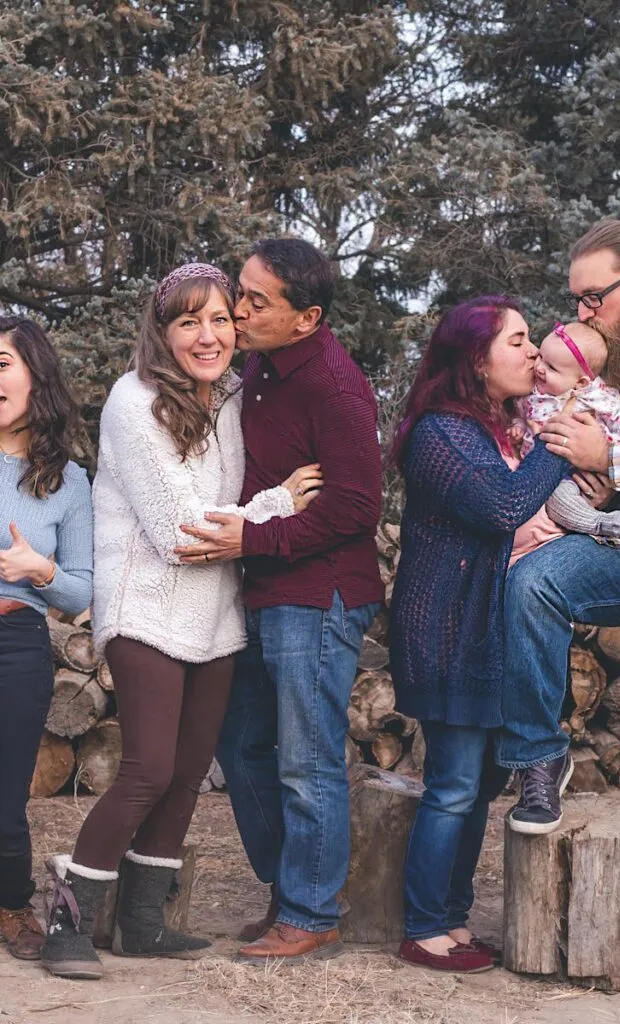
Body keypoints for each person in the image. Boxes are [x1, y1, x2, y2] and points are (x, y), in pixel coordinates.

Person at [41, 263, 322, 980]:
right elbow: (179, 534)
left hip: (215, 611)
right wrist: (277, 505)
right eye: (188, 321)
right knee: (148, 769)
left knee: (190, 771)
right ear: (162, 332)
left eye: (220, 319)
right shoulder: (134, 401)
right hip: (144, 605)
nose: (208, 335)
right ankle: (66, 920)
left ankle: (141, 924)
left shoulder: (232, 395)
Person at [175, 238, 384, 964]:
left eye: (256, 302)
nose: (237, 309)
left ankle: (310, 911)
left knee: (306, 758)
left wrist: (252, 538)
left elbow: (356, 508)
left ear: (307, 318)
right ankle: (295, 883)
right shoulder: (258, 368)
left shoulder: (335, 387)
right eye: (241, 290)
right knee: (239, 743)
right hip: (263, 589)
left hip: (318, 597)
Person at [496, 218, 620, 957]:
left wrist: (612, 458)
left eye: (592, 297)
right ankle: (538, 760)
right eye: (577, 300)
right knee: (534, 582)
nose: (582, 313)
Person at [388, 297, 568, 973]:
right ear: (475, 358)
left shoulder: (494, 429)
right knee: (454, 784)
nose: (533, 351)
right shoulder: (440, 431)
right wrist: (558, 443)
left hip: (483, 632)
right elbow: (501, 505)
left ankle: (451, 916)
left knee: (479, 786)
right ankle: (422, 928)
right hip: (447, 632)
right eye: (516, 341)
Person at [0, 317, 93, 961]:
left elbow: (81, 591)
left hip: (17, 644)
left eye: (2, 363)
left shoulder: (67, 481)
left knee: (7, 792)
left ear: (37, 374)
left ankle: (11, 905)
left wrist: (40, 570)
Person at [513, 320, 620, 542]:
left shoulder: (592, 393)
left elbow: (616, 412)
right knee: (557, 500)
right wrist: (517, 428)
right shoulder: (532, 393)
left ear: (581, 382)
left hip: (607, 461)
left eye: (551, 368)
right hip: (562, 474)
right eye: (541, 357)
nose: (540, 367)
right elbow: (521, 418)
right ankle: (599, 523)